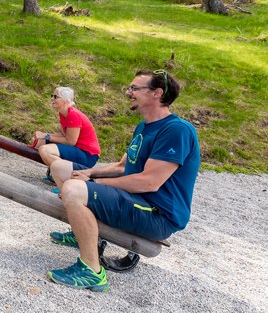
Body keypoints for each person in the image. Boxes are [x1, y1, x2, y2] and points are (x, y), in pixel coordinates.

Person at [47, 69, 200, 292]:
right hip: (136, 199)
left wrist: (95, 185)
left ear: (157, 93)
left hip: (157, 213)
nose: (129, 92)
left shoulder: (177, 130)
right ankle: (81, 232)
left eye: (135, 88)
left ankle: (91, 271)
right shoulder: (144, 127)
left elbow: (149, 183)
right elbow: (122, 167)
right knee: (61, 168)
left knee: (74, 190)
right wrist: (91, 173)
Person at [32, 87, 101, 190]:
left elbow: (70, 141)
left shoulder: (73, 115)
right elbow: (64, 135)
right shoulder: (63, 113)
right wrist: (44, 135)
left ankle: (65, 179)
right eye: (52, 96)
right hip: (78, 149)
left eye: (55, 97)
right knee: (38, 142)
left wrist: (47, 136)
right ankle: (56, 174)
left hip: (88, 155)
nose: (52, 99)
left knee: (45, 150)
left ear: (66, 100)